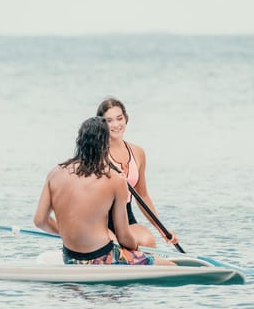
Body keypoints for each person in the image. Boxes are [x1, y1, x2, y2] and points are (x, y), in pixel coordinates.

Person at [33, 116, 175, 265]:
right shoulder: (115, 179)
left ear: (79, 141)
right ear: (106, 144)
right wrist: (135, 250)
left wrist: (66, 233)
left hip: (70, 258)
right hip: (103, 257)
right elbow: (124, 237)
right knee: (170, 266)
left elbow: (40, 221)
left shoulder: (55, 173)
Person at [96, 97, 177, 248]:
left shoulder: (138, 153)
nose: (116, 125)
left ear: (126, 118)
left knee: (148, 241)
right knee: (113, 247)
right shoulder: (96, 154)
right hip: (100, 220)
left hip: (126, 218)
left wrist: (163, 231)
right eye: (109, 121)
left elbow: (143, 196)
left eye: (119, 118)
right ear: (102, 124)